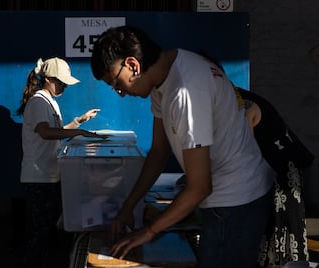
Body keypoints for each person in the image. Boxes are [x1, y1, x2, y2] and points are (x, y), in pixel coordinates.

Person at [90, 26, 276, 268]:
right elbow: (158, 152)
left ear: (133, 65)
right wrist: (129, 206)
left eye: (116, 83)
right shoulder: (163, 79)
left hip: (236, 204)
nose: (121, 93)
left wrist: (149, 232)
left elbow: (199, 187)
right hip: (226, 197)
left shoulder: (185, 92)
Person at [16, 57, 106, 268]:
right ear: (47, 79)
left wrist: (80, 120)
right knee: (42, 234)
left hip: (49, 175)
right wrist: (79, 131)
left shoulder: (49, 101)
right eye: (61, 81)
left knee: (47, 233)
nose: (64, 85)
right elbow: (46, 132)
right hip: (39, 178)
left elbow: (56, 132)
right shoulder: (38, 101)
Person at [235, 86, 314, 267]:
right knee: (271, 232)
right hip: (275, 166)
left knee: (286, 230)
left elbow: (244, 152)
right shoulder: (237, 100)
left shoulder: (245, 107)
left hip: (285, 167)